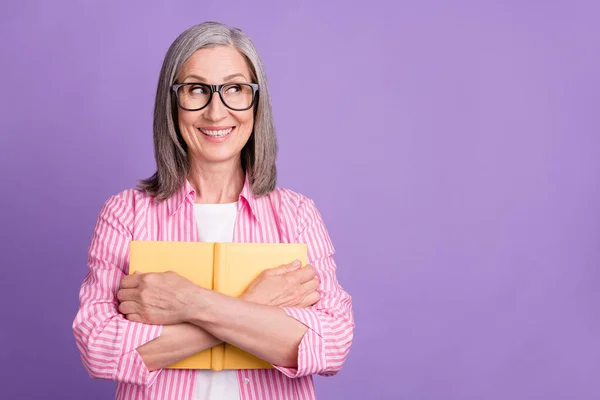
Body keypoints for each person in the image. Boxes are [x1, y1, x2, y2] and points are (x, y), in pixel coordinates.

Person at [72, 21, 354, 400]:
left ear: (256, 101)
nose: (216, 112)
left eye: (235, 88)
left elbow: (331, 343)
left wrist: (188, 302)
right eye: (196, 90)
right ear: (173, 103)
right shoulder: (126, 214)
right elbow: (100, 348)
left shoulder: (297, 215)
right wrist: (256, 307)